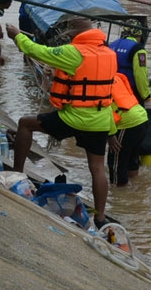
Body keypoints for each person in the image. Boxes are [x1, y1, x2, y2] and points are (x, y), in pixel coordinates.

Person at [7, 17, 117, 227]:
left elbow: (37, 51)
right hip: (101, 120)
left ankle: (16, 176)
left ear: (75, 35)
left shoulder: (73, 52)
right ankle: (101, 218)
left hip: (73, 117)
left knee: (25, 123)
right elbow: (106, 93)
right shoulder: (109, 55)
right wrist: (111, 131)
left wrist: (17, 35)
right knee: (97, 168)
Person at [108, 25, 151, 186]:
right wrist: (147, 97)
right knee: (132, 153)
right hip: (133, 104)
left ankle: (120, 196)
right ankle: (131, 192)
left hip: (119, 105)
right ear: (140, 35)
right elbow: (141, 76)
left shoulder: (111, 46)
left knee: (117, 160)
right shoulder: (138, 50)